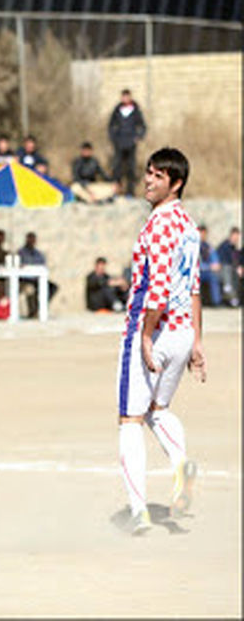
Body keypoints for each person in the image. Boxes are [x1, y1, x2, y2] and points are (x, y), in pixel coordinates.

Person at [116, 148, 205, 535]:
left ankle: (139, 511)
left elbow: (159, 287)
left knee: (130, 420)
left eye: (156, 175)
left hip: (151, 328)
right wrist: (197, 343)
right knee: (158, 409)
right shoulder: (189, 226)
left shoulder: (159, 225)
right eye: (147, 173)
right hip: (184, 331)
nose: (148, 180)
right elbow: (195, 287)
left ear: (176, 183)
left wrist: (147, 335)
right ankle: (182, 465)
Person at [107, 89, 147, 197]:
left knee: (131, 167)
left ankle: (130, 191)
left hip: (131, 143)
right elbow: (111, 125)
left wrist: (138, 137)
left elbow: (142, 126)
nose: (125, 99)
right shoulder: (117, 110)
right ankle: (116, 191)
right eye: (123, 97)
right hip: (119, 143)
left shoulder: (135, 110)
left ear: (130, 97)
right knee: (117, 167)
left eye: (127, 97)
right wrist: (113, 138)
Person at [16, 232, 59, 318]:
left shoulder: (38, 253)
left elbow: (42, 265)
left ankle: (40, 307)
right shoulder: (21, 252)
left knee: (52, 287)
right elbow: (19, 265)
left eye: (33, 239)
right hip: (25, 279)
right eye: (30, 239)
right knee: (30, 289)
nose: (32, 241)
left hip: (37, 279)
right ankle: (33, 311)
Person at [215, 227, 241, 308]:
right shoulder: (224, 246)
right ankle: (228, 288)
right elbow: (222, 262)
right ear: (231, 235)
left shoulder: (234, 248)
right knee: (227, 268)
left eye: (237, 237)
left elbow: (236, 261)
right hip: (222, 270)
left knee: (235, 274)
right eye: (235, 236)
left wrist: (239, 267)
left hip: (230, 271)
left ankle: (232, 296)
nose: (236, 239)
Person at [196, 225, 222, 307]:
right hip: (197, 272)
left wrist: (216, 264)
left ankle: (216, 302)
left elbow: (214, 257)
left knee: (214, 276)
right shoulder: (194, 246)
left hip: (207, 272)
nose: (203, 236)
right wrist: (209, 266)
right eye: (201, 234)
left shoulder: (208, 247)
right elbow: (195, 264)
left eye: (204, 234)